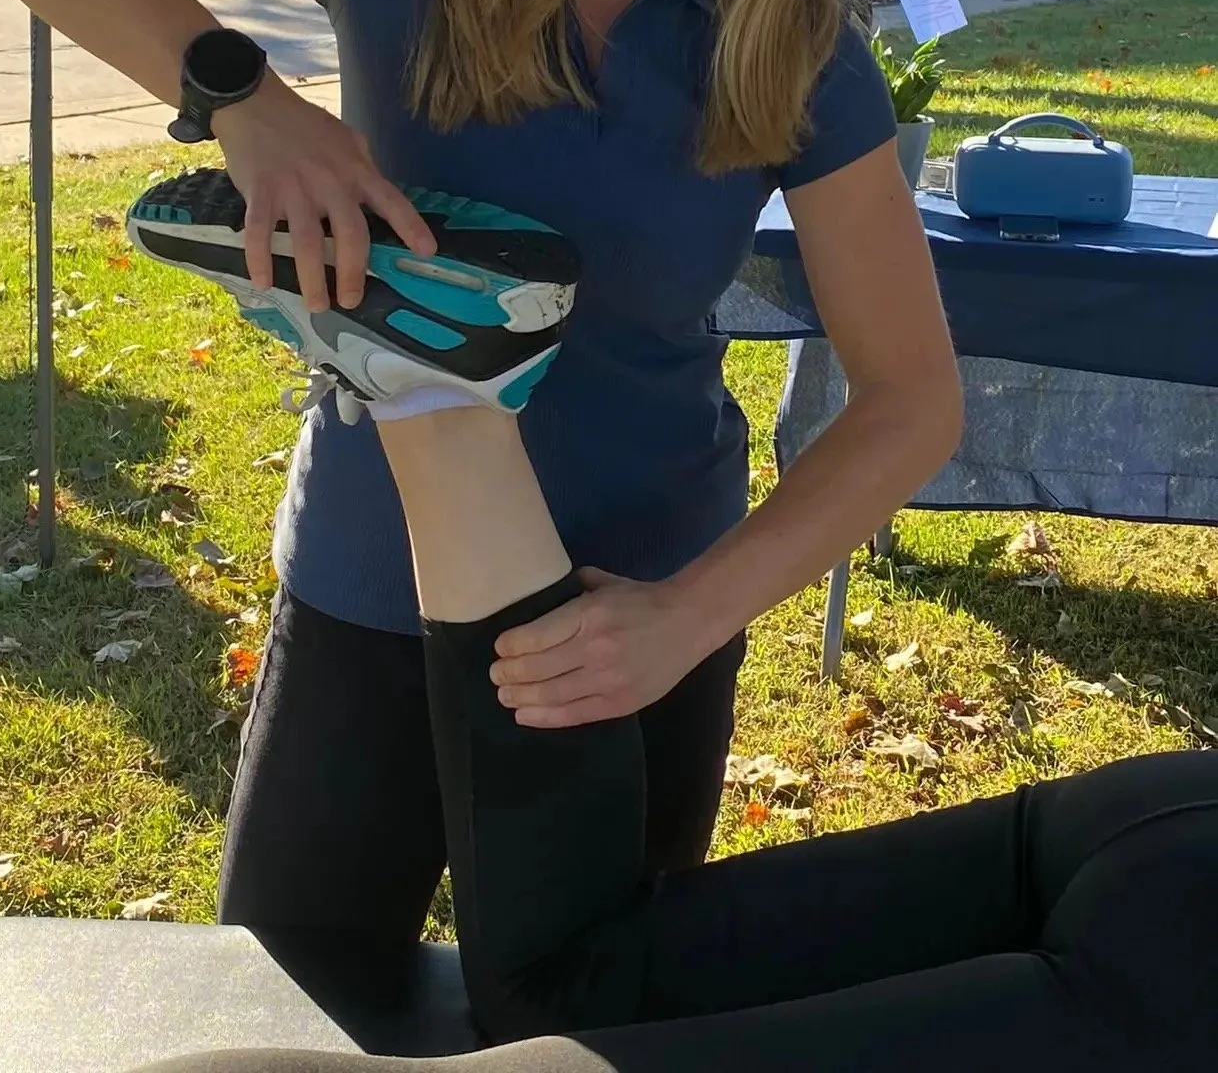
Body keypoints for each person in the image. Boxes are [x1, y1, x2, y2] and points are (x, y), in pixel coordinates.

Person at [0, 0, 961, 957]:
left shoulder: (791, 30)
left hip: (625, 621)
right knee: (285, 1008)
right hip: (373, 580)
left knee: (584, 1031)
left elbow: (911, 399)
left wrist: (683, 618)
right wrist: (245, 100)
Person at [129, 220, 1218, 1073]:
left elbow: (914, 399)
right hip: (1169, 955)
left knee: (577, 985)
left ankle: (431, 389)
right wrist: (239, 93)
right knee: (564, 997)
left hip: (1162, 832)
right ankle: (429, 387)